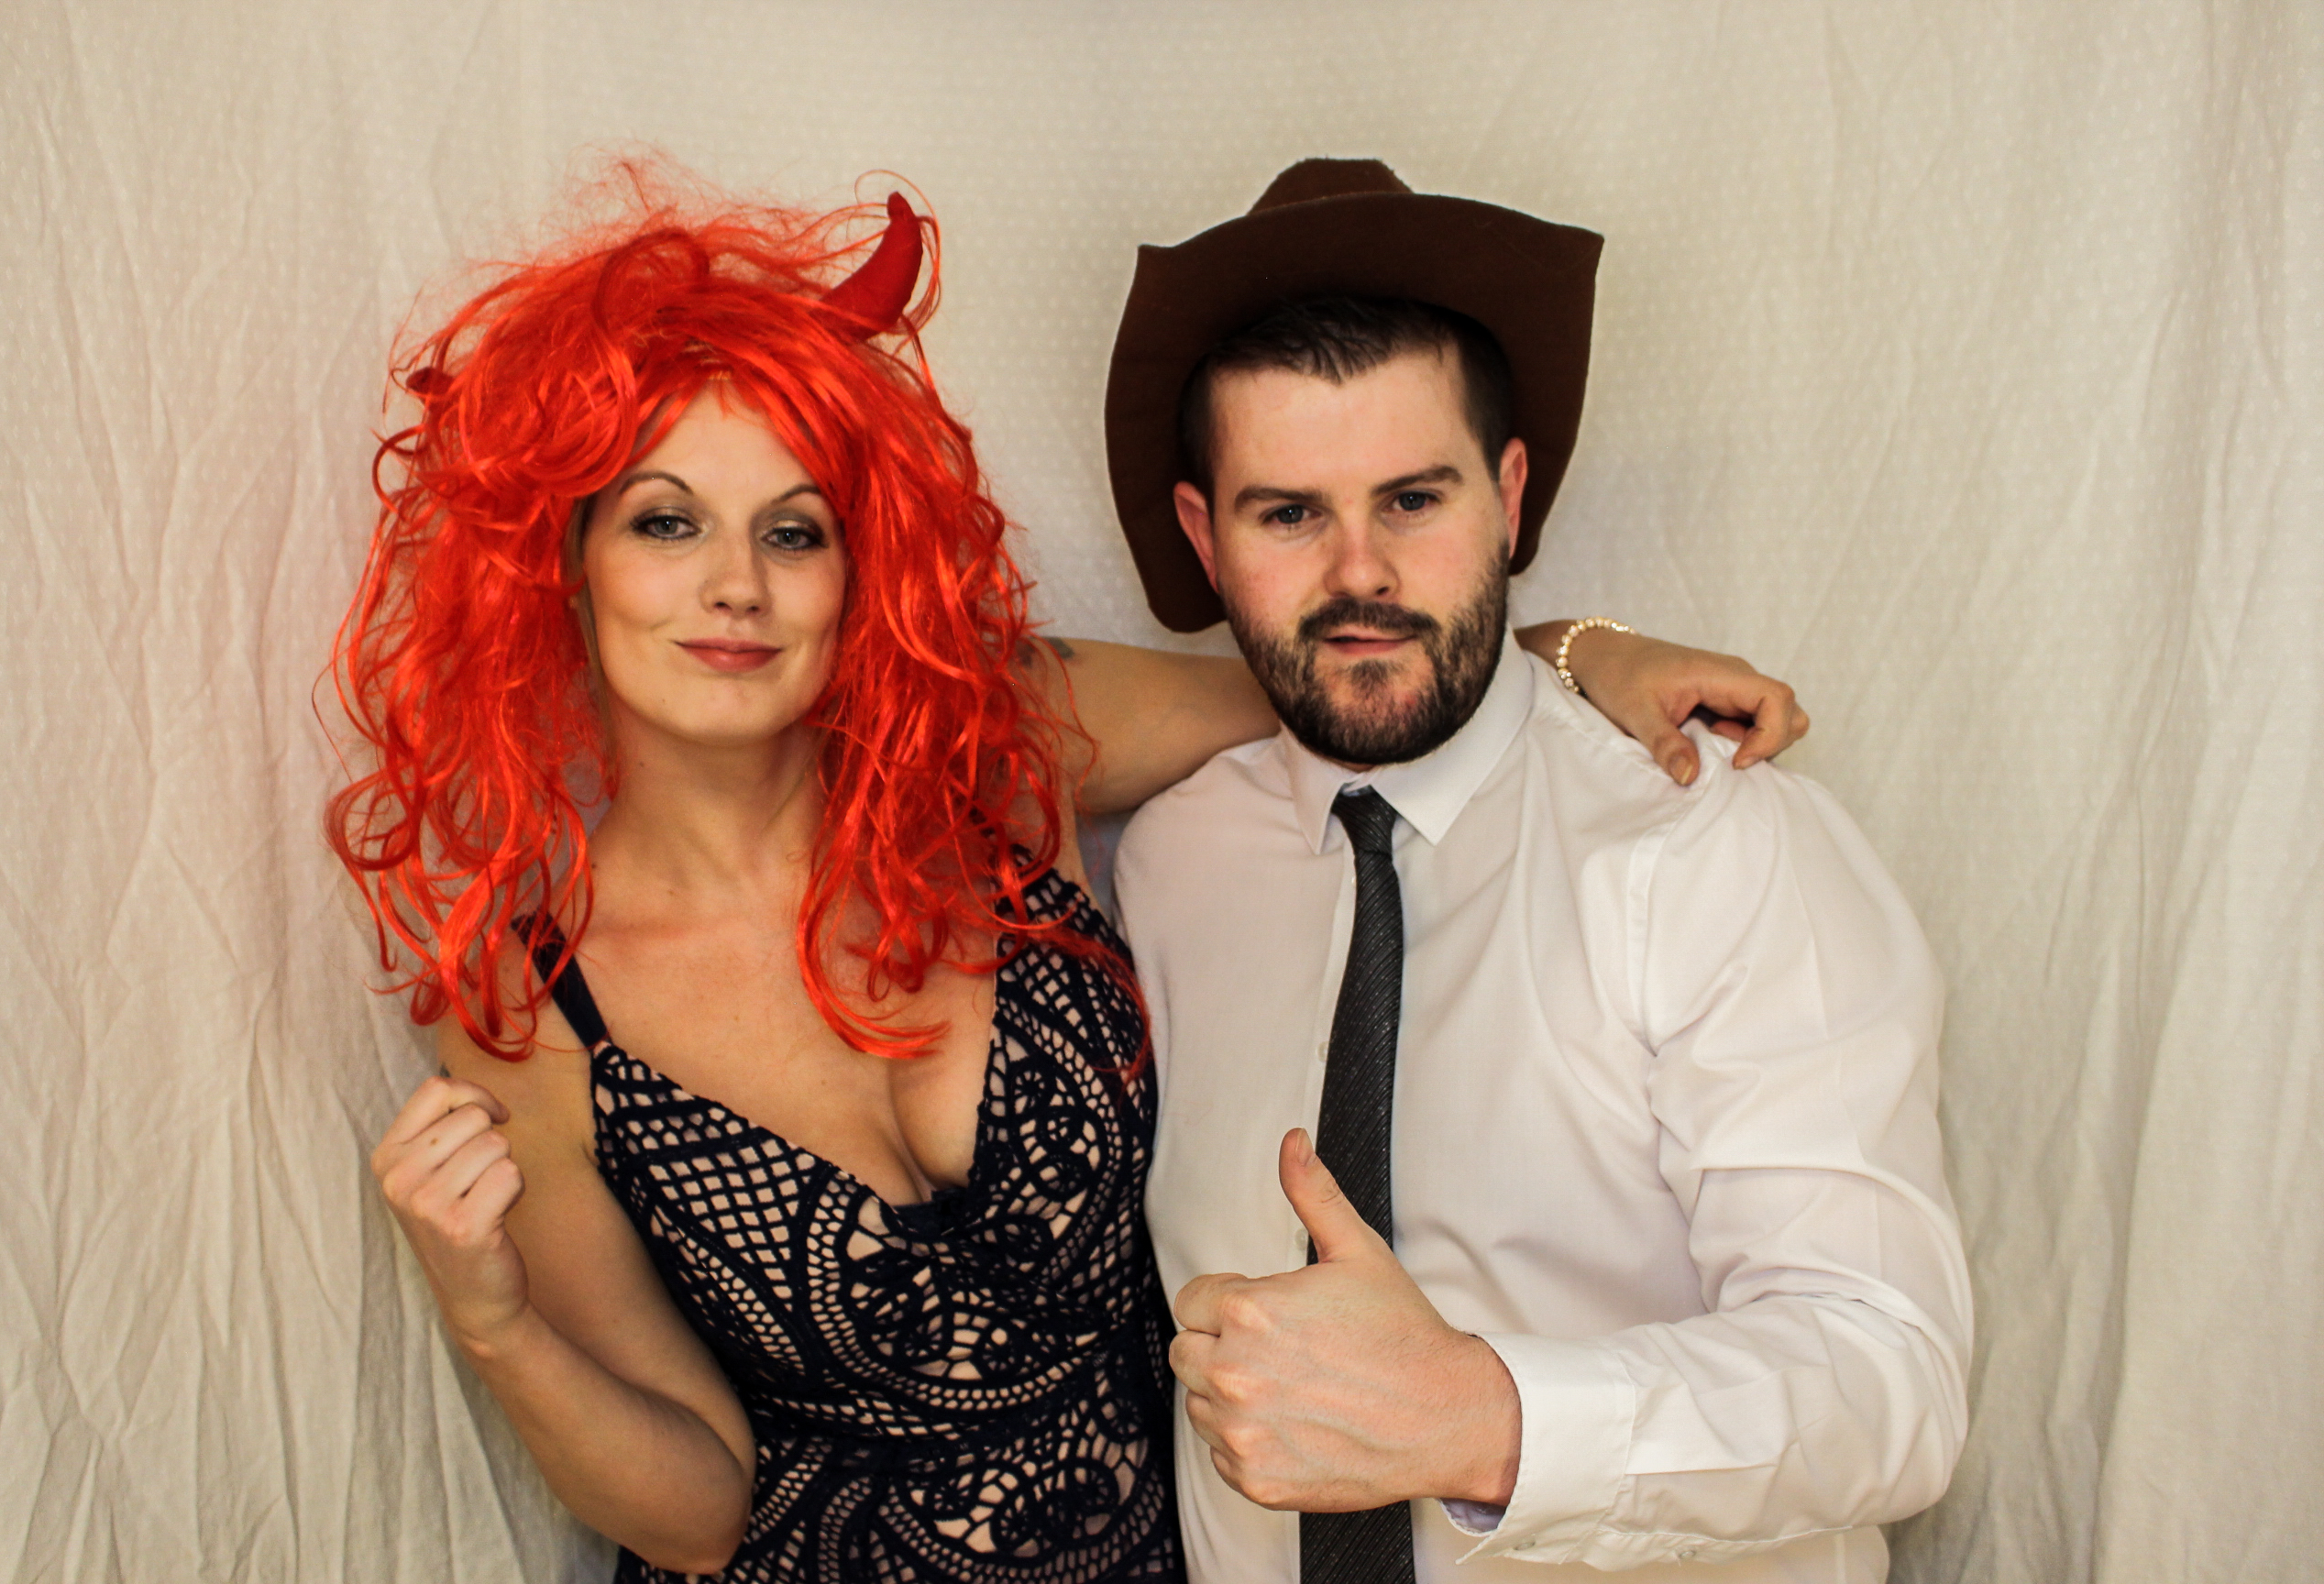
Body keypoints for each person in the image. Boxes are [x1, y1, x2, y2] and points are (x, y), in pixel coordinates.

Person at [332, 170, 1810, 1583]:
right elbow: (703, 1513)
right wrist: (494, 1321)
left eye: (794, 530)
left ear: (856, 564)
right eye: (667, 523)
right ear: (565, 560)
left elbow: (1332, 667)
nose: (738, 584)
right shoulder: (532, 1006)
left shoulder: (994, 743)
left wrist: (1579, 653)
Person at [1109, 160, 1971, 1584]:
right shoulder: (1169, 863)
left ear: (1509, 496)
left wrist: (1488, 1421)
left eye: (1413, 499)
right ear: (1206, 537)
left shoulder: (1714, 844)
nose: (1360, 574)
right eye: (1289, 515)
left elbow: (1892, 1383)